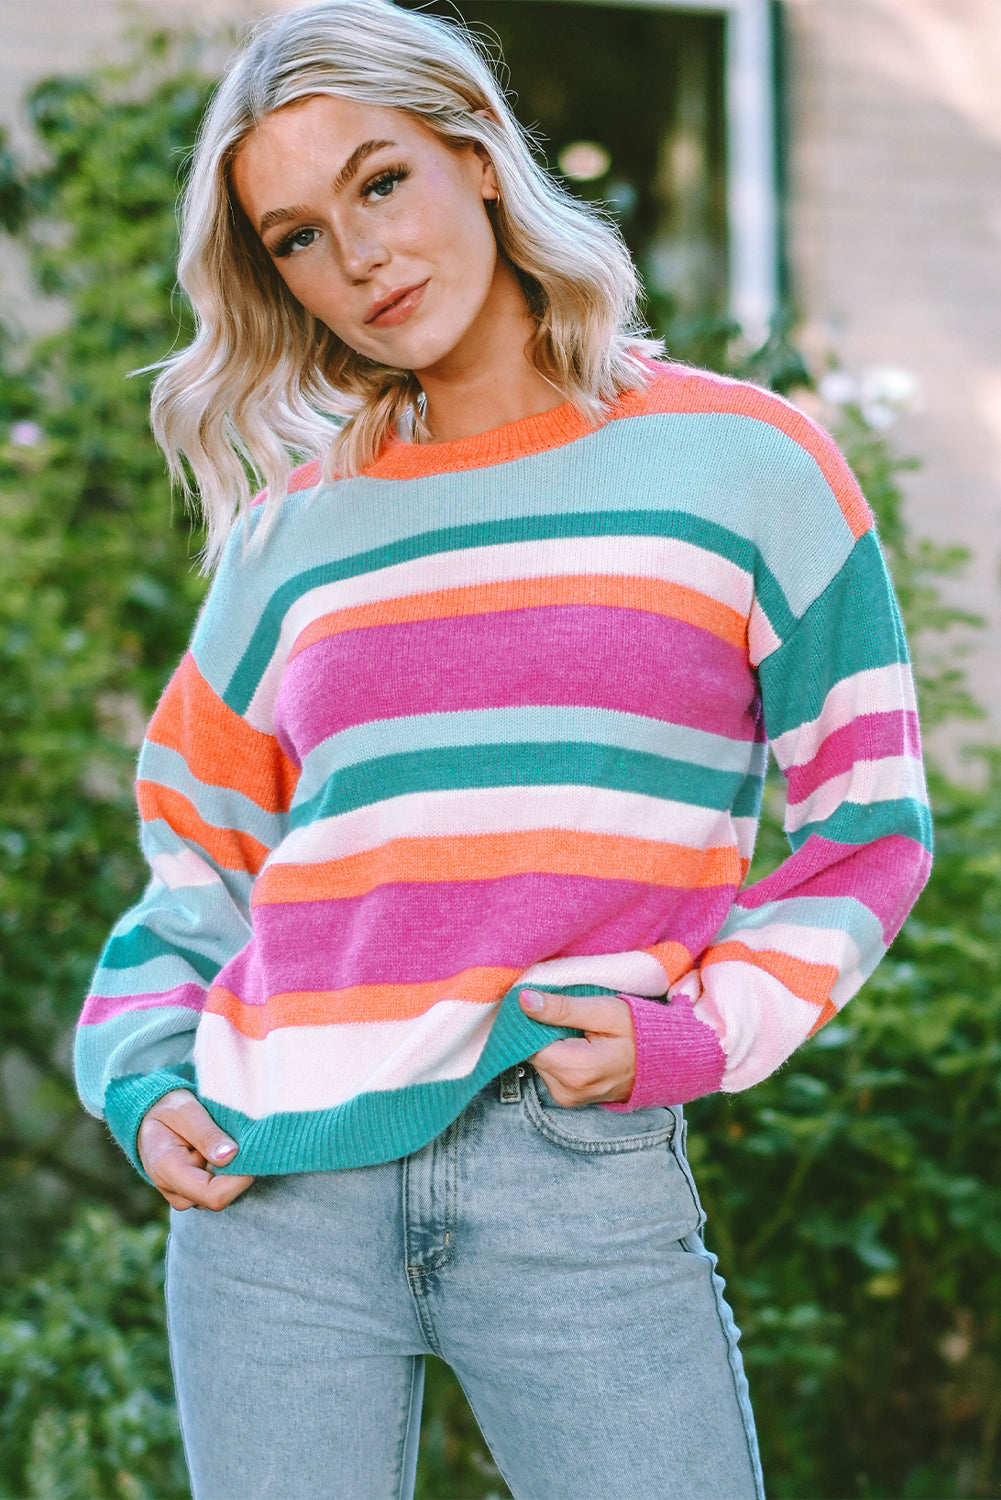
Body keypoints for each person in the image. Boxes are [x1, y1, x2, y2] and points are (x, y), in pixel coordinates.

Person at [73, 3, 932, 1496]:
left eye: (381, 182)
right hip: (272, 1198)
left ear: (476, 157)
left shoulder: (744, 465)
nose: (358, 257)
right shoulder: (291, 536)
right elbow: (196, 856)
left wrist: (700, 1031)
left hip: (570, 1167)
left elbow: (869, 825)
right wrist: (145, 1075)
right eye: (297, 236)